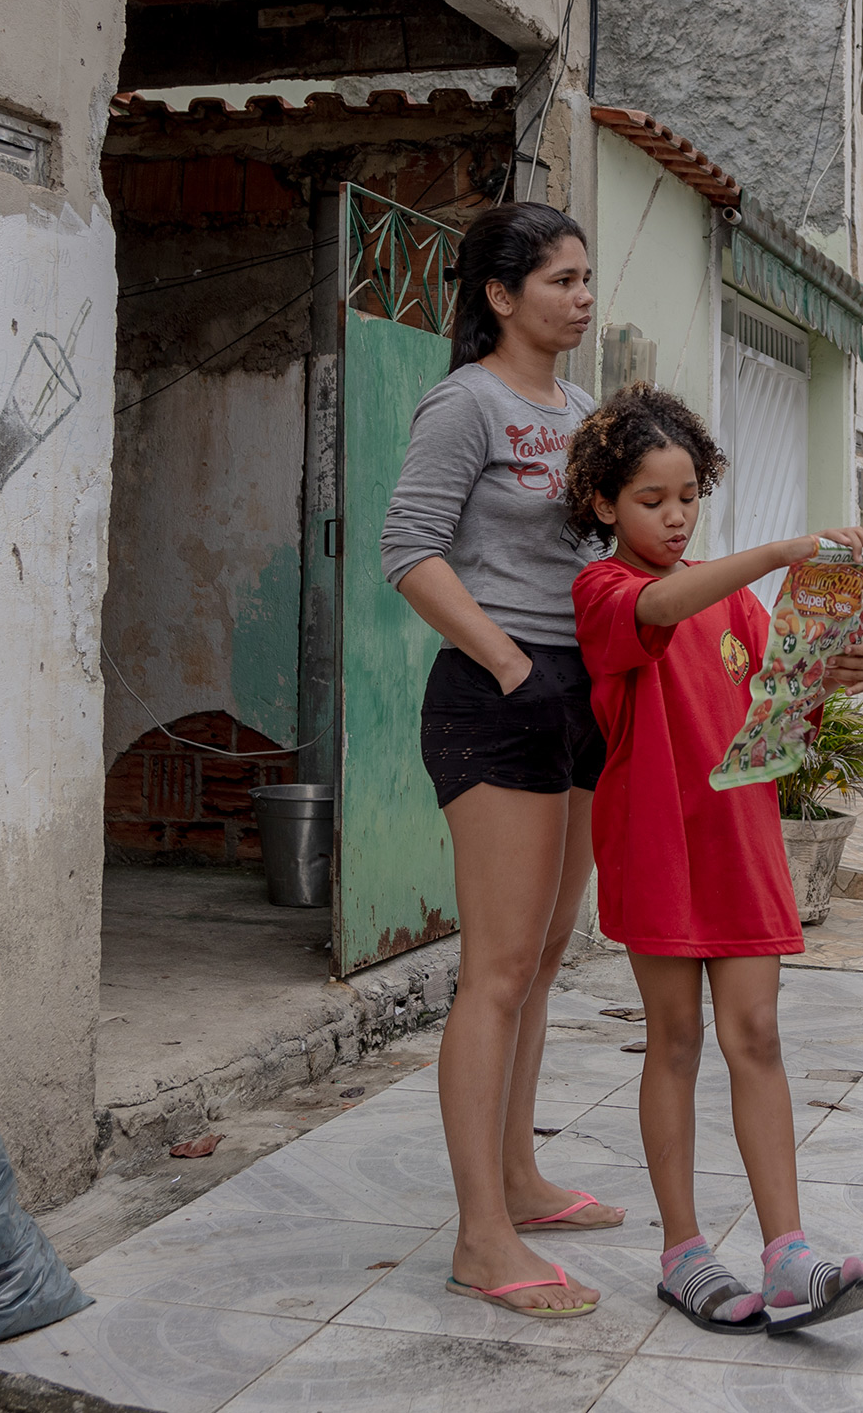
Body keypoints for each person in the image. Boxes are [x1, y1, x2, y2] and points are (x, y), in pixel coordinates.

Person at [564, 383, 863, 1334]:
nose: (673, 518)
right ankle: (683, 1253)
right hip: (658, 844)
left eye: (686, 498)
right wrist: (781, 551)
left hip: (742, 845)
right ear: (603, 507)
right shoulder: (606, 593)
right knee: (673, 1042)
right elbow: (661, 603)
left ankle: (789, 1256)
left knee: (758, 1038)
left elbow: (778, 722)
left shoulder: (741, 608)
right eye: (649, 501)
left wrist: (830, 669)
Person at [379, 202, 620, 1320]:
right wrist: (513, 667)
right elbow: (409, 552)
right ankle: (481, 1234)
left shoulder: (579, 412)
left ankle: (521, 1179)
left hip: (579, 696)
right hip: (497, 696)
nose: (580, 297)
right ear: (499, 296)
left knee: (548, 952)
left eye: (584, 279)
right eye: (560, 280)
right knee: (497, 971)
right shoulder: (464, 402)